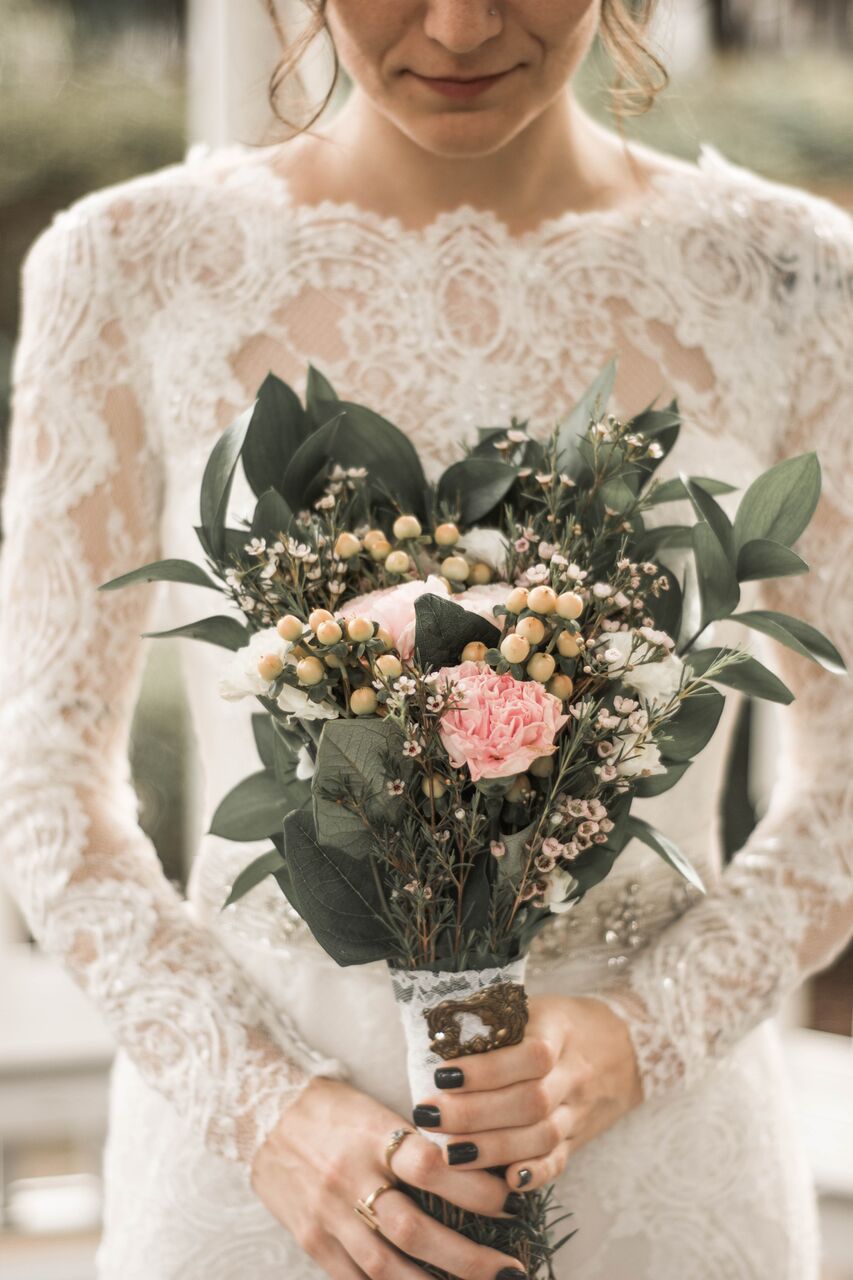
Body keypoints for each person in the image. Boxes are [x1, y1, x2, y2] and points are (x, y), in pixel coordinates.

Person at [1, 2, 851, 1277]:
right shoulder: (128, 263)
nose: (458, 25)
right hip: (261, 1187)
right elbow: (45, 790)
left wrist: (642, 1034)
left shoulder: (790, 279)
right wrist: (264, 1107)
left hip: (661, 1180)